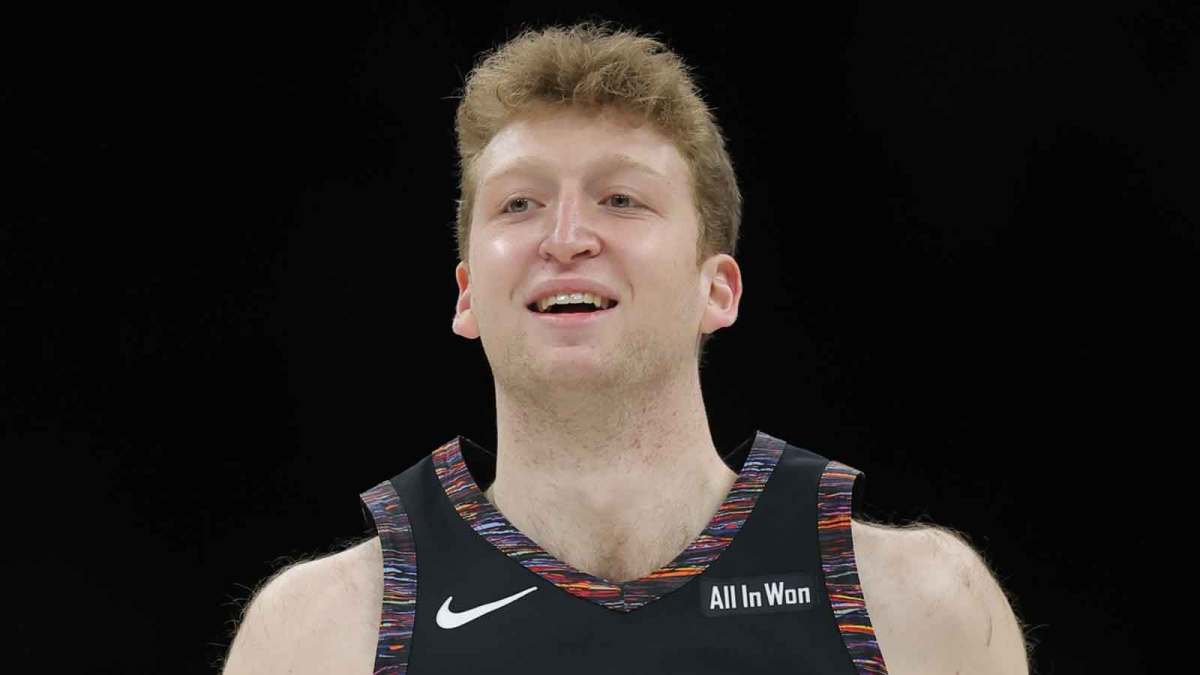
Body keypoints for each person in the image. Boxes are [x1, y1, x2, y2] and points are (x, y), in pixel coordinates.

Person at [221, 21, 1030, 674]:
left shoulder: (917, 607)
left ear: (718, 289)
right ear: (468, 293)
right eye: (519, 204)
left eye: (621, 197)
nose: (566, 238)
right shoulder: (323, 635)